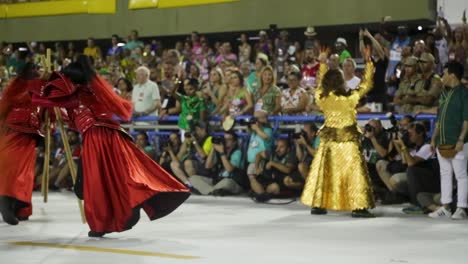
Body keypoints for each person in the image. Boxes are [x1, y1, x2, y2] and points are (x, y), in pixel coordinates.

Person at [42, 55, 190, 237]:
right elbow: (72, 117)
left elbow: (50, 99)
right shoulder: (87, 92)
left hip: (97, 137)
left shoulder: (78, 94)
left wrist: (47, 85)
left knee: (98, 180)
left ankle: (105, 221)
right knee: (113, 177)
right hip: (109, 135)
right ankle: (120, 212)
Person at [301, 47, 375, 218]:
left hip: (328, 142)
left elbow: (319, 85)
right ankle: (358, 207)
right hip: (348, 142)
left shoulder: (322, 98)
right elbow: (367, 84)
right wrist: (369, 63)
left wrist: (322, 64)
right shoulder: (350, 99)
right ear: (340, 82)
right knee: (354, 173)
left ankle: (319, 205)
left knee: (325, 172)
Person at [0, 62, 45, 225]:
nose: (37, 71)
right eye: (33, 69)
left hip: (29, 136)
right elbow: (6, 105)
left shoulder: (40, 87)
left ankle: (19, 206)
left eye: (37, 68)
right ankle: (6, 200)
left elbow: (44, 109)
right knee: (13, 169)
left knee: (25, 171)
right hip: (14, 133)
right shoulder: (17, 87)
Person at [429, 61, 468, 220]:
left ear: (452, 76)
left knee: (461, 175)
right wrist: (433, 138)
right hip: (442, 142)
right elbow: (439, 120)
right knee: (445, 173)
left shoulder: (464, 94)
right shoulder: (444, 94)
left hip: (458, 142)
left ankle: (462, 207)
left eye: (444, 74)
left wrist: (461, 139)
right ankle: (445, 207)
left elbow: (466, 120)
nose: (442, 77)